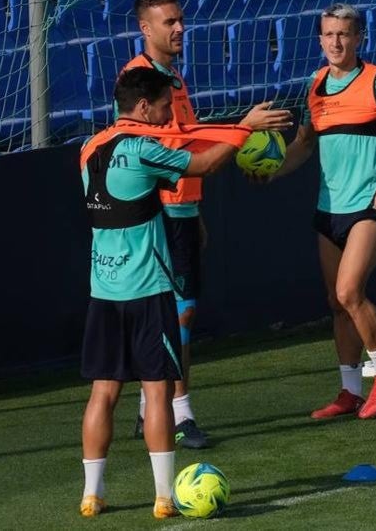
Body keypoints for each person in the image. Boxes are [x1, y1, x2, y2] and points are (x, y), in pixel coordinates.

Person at [77, 68, 261, 519]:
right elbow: (203, 165)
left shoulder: (88, 149)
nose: (168, 117)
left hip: (103, 289)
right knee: (157, 390)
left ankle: (91, 495)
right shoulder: (142, 150)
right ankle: (163, 497)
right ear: (143, 107)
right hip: (147, 287)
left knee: (104, 392)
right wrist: (244, 130)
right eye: (163, 107)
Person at [125, 0, 291, 448]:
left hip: (180, 208)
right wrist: (242, 130)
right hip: (158, 212)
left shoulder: (173, 80)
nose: (179, 28)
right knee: (177, 313)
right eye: (168, 22)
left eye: (180, 20)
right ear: (145, 29)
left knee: (177, 312)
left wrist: (193, 210)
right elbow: (174, 147)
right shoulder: (140, 82)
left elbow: (186, 139)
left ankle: (149, 410)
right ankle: (178, 416)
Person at [262, 3, 376, 420]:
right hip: (327, 209)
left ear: (359, 38)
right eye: (329, 34)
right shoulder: (315, 84)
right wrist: (271, 174)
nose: (336, 42)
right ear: (320, 40)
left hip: (370, 204)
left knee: (350, 292)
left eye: (345, 34)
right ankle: (350, 390)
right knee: (336, 304)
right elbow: (304, 143)